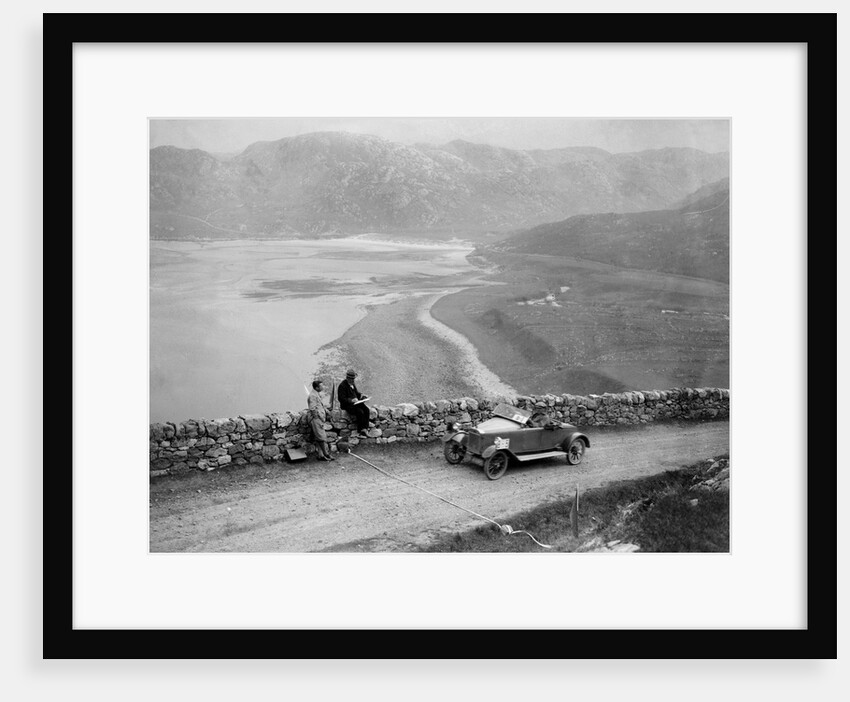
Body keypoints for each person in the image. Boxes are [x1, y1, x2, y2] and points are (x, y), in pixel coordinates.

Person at [307, 379, 335, 461]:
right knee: (322, 437)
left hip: (319, 419)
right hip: (317, 420)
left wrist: (326, 411)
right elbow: (312, 409)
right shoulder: (312, 396)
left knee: (318, 438)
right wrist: (317, 418)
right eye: (321, 386)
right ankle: (326, 454)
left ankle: (321, 455)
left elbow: (319, 405)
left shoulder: (316, 394)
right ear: (316, 387)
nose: (323, 387)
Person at [337, 369, 370, 436]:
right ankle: (360, 429)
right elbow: (341, 399)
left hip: (355, 403)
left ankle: (365, 428)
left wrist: (362, 395)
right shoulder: (342, 386)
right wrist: (351, 400)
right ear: (347, 378)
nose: (353, 380)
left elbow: (356, 393)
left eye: (353, 379)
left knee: (366, 410)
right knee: (359, 412)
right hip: (347, 405)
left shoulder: (352, 384)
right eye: (351, 379)